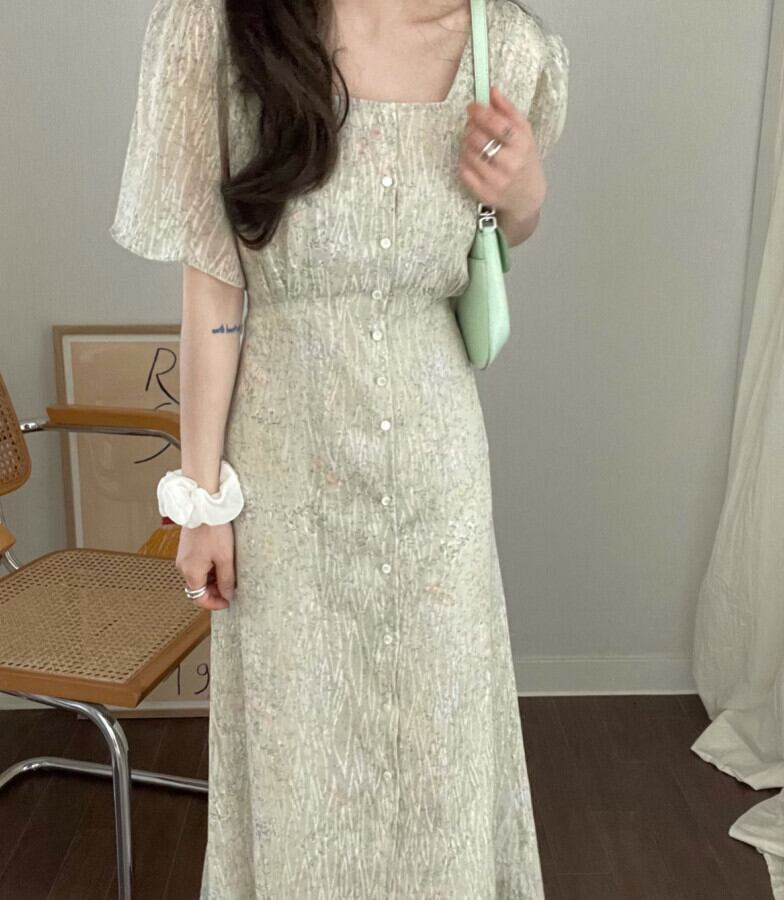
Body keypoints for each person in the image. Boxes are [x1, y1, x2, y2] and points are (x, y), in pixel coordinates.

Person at [109, 0, 569, 896]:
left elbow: (492, 237)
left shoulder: (507, 46)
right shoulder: (226, 27)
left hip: (438, 470)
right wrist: (201, 500)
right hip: (285, 467)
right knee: (302, 757)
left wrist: (525, 199)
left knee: (442, 751)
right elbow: (214, 284)